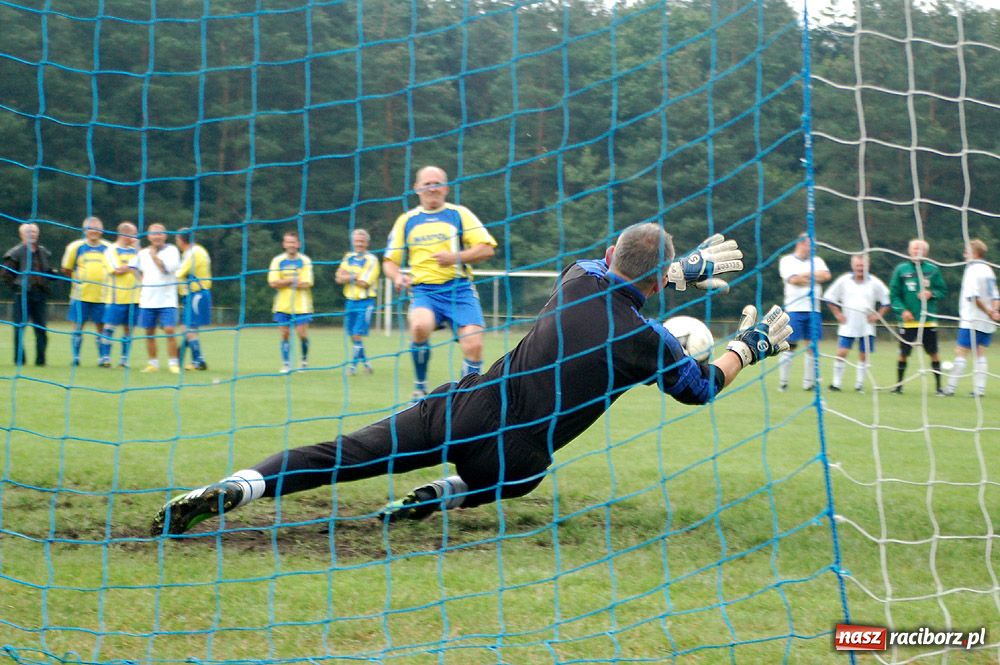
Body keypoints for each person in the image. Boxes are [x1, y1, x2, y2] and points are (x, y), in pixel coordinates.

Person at [150, 223, 769, 537]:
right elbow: (700, 386)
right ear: (659, 286)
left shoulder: (576, 280)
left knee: (344, 454)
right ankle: (442, 496)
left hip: (464, 409)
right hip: (516, 458)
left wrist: (677, 271)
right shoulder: (649, 342)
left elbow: (606, 269)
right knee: (523, 481)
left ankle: (242, 486)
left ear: (610, 259)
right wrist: (751, 344)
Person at [382, 166, 497, 399]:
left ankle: (467, 396)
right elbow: (389, 262)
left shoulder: (459, 214)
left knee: (474, 342)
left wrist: (455, 257)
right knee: (419, 326)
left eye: (436, 183)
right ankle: (420, 386)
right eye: (426, 184)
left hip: (459, 289)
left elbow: (486, 248)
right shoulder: (407, 220)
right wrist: (397, 277)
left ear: (445, 188)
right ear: (416, 188)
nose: (431, 188)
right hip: (424, 291)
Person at [823, 254, 890, 392]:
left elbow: (886, 301)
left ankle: (859, 385)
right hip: (848, 324)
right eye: (858, 265)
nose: (860, 268)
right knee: (842, 352)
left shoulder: (875, 282)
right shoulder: (844, 280)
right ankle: (836, 384)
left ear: (868, 266)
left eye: (863, 265)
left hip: (866, 325)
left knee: (864, 355)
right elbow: (829, 298)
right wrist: (837, 314)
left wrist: (878, 315)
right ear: (853, 265)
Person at [888, 238, 947, 394]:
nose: (916, 252)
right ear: (909, 251)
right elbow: (894, 295)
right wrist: (902, 311)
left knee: (933, 353)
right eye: (914, 249)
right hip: (908, 322)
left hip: (928, 321)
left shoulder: (933, 269)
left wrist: (931, 293)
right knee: (903, 353)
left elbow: (942, 291)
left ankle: (939, 388)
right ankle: (898, 386)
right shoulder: (901, 270)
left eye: (920, 249)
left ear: (925, 252)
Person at [943, 239, 999, 397]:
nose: (964, 255)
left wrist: (989, 312)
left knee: (961, 352)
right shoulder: (989, 269)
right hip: (987, 322)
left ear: (974, 254)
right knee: (980, 354)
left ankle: (950, 388)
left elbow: (973, 297)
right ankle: (979, 390)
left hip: (972, 318)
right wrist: (994, 312)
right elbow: (996, 296)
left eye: (966, 252)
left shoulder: (972, 270)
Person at [777, 232, 831, 391]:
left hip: (814, 309)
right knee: (789, 345)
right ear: (800, 244)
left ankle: (808, 384)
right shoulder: (787, 260)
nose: (813, 248)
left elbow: (826, 275)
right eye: (810, 244)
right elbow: (793, 280)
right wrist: (813, 277)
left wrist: (805, 276)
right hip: (794, 309)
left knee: (812, 347)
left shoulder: (818, 260)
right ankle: (783, 383)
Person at [2, 223, 58, 366]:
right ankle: (20, 360)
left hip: (40, 294)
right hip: (23, 295)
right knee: (20, 328)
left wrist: (54, 274)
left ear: (38, 234)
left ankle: (41, 360)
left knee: (41, 328)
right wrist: (16, 287)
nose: (31, 234)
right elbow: (6, 274)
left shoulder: (43, 251)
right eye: (28, 232)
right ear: (21, 234)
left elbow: (47, 271)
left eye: (34, 232)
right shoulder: (15, 252)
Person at [61, 216, 113, 366]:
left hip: (102, 295)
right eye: (90, 228)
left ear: (101, 230)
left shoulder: (109, 247)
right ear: (85, 230)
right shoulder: (75, 247)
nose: (94, 231)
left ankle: (103, 357)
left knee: (101, 326)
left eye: (97, 228)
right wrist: (79, 279)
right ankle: (76, 357)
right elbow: (66, 268)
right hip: (80, 295)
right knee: (78, 325)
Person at [131, 223, 182, 374]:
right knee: (149, 333)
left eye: (160, 233)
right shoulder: (142, 253)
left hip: (167, 299)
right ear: (148, 236)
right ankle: (153, 363)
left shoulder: (172, 250)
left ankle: (173, 363)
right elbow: (132, 267)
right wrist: (142, 281)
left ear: (165, 235)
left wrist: (153, 256)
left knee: (169, 330)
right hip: (148, 299)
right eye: (154, 233)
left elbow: (165, 269)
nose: (157, 236)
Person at [335, 228, 381, 375]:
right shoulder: (348, 257)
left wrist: (348, 276)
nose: (359, 244)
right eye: (356, 241)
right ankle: (366, 364)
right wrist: (354, 276)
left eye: (362, 241)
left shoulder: (372, 260)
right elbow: (338, 277)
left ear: (367, 243)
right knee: (352, 335)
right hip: (350, 300)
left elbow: (365, 282)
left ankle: (352, 367)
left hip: (365, 302)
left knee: (357, 334)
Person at [268, 231, 314, 373]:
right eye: (288, 242)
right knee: (284, 333)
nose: (291, 245)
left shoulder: (305, 261)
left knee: (302, 334)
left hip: (302, 305)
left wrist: (283, 282)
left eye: (293, 242)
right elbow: (273, 283)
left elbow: (306, 283)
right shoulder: (277, 261)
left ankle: (304, 361)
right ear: (284, 244)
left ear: (298, 244)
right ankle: (286, 364)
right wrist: (291, 280)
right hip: (282, 305)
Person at [101, 221, 141, 368]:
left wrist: (134, 258)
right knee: (109, 327)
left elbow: (141, 270)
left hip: (134, 297)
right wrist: (132, 266)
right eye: (134, 234)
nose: (136, 237)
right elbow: (117, 269)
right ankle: (105, 357)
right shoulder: (111, 250)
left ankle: (124, 359)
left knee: (129, 329)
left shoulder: (135, 251)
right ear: (125, 234)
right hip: (116, 297)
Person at [176, 227, 212, 371]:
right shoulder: (198, 250)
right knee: (188, 327)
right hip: (195, 294)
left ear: (180, 240)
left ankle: (198, 360)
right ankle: (185, 356)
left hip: (196, 293)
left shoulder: (193, 253)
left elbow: (180, 273)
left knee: (189, 328)